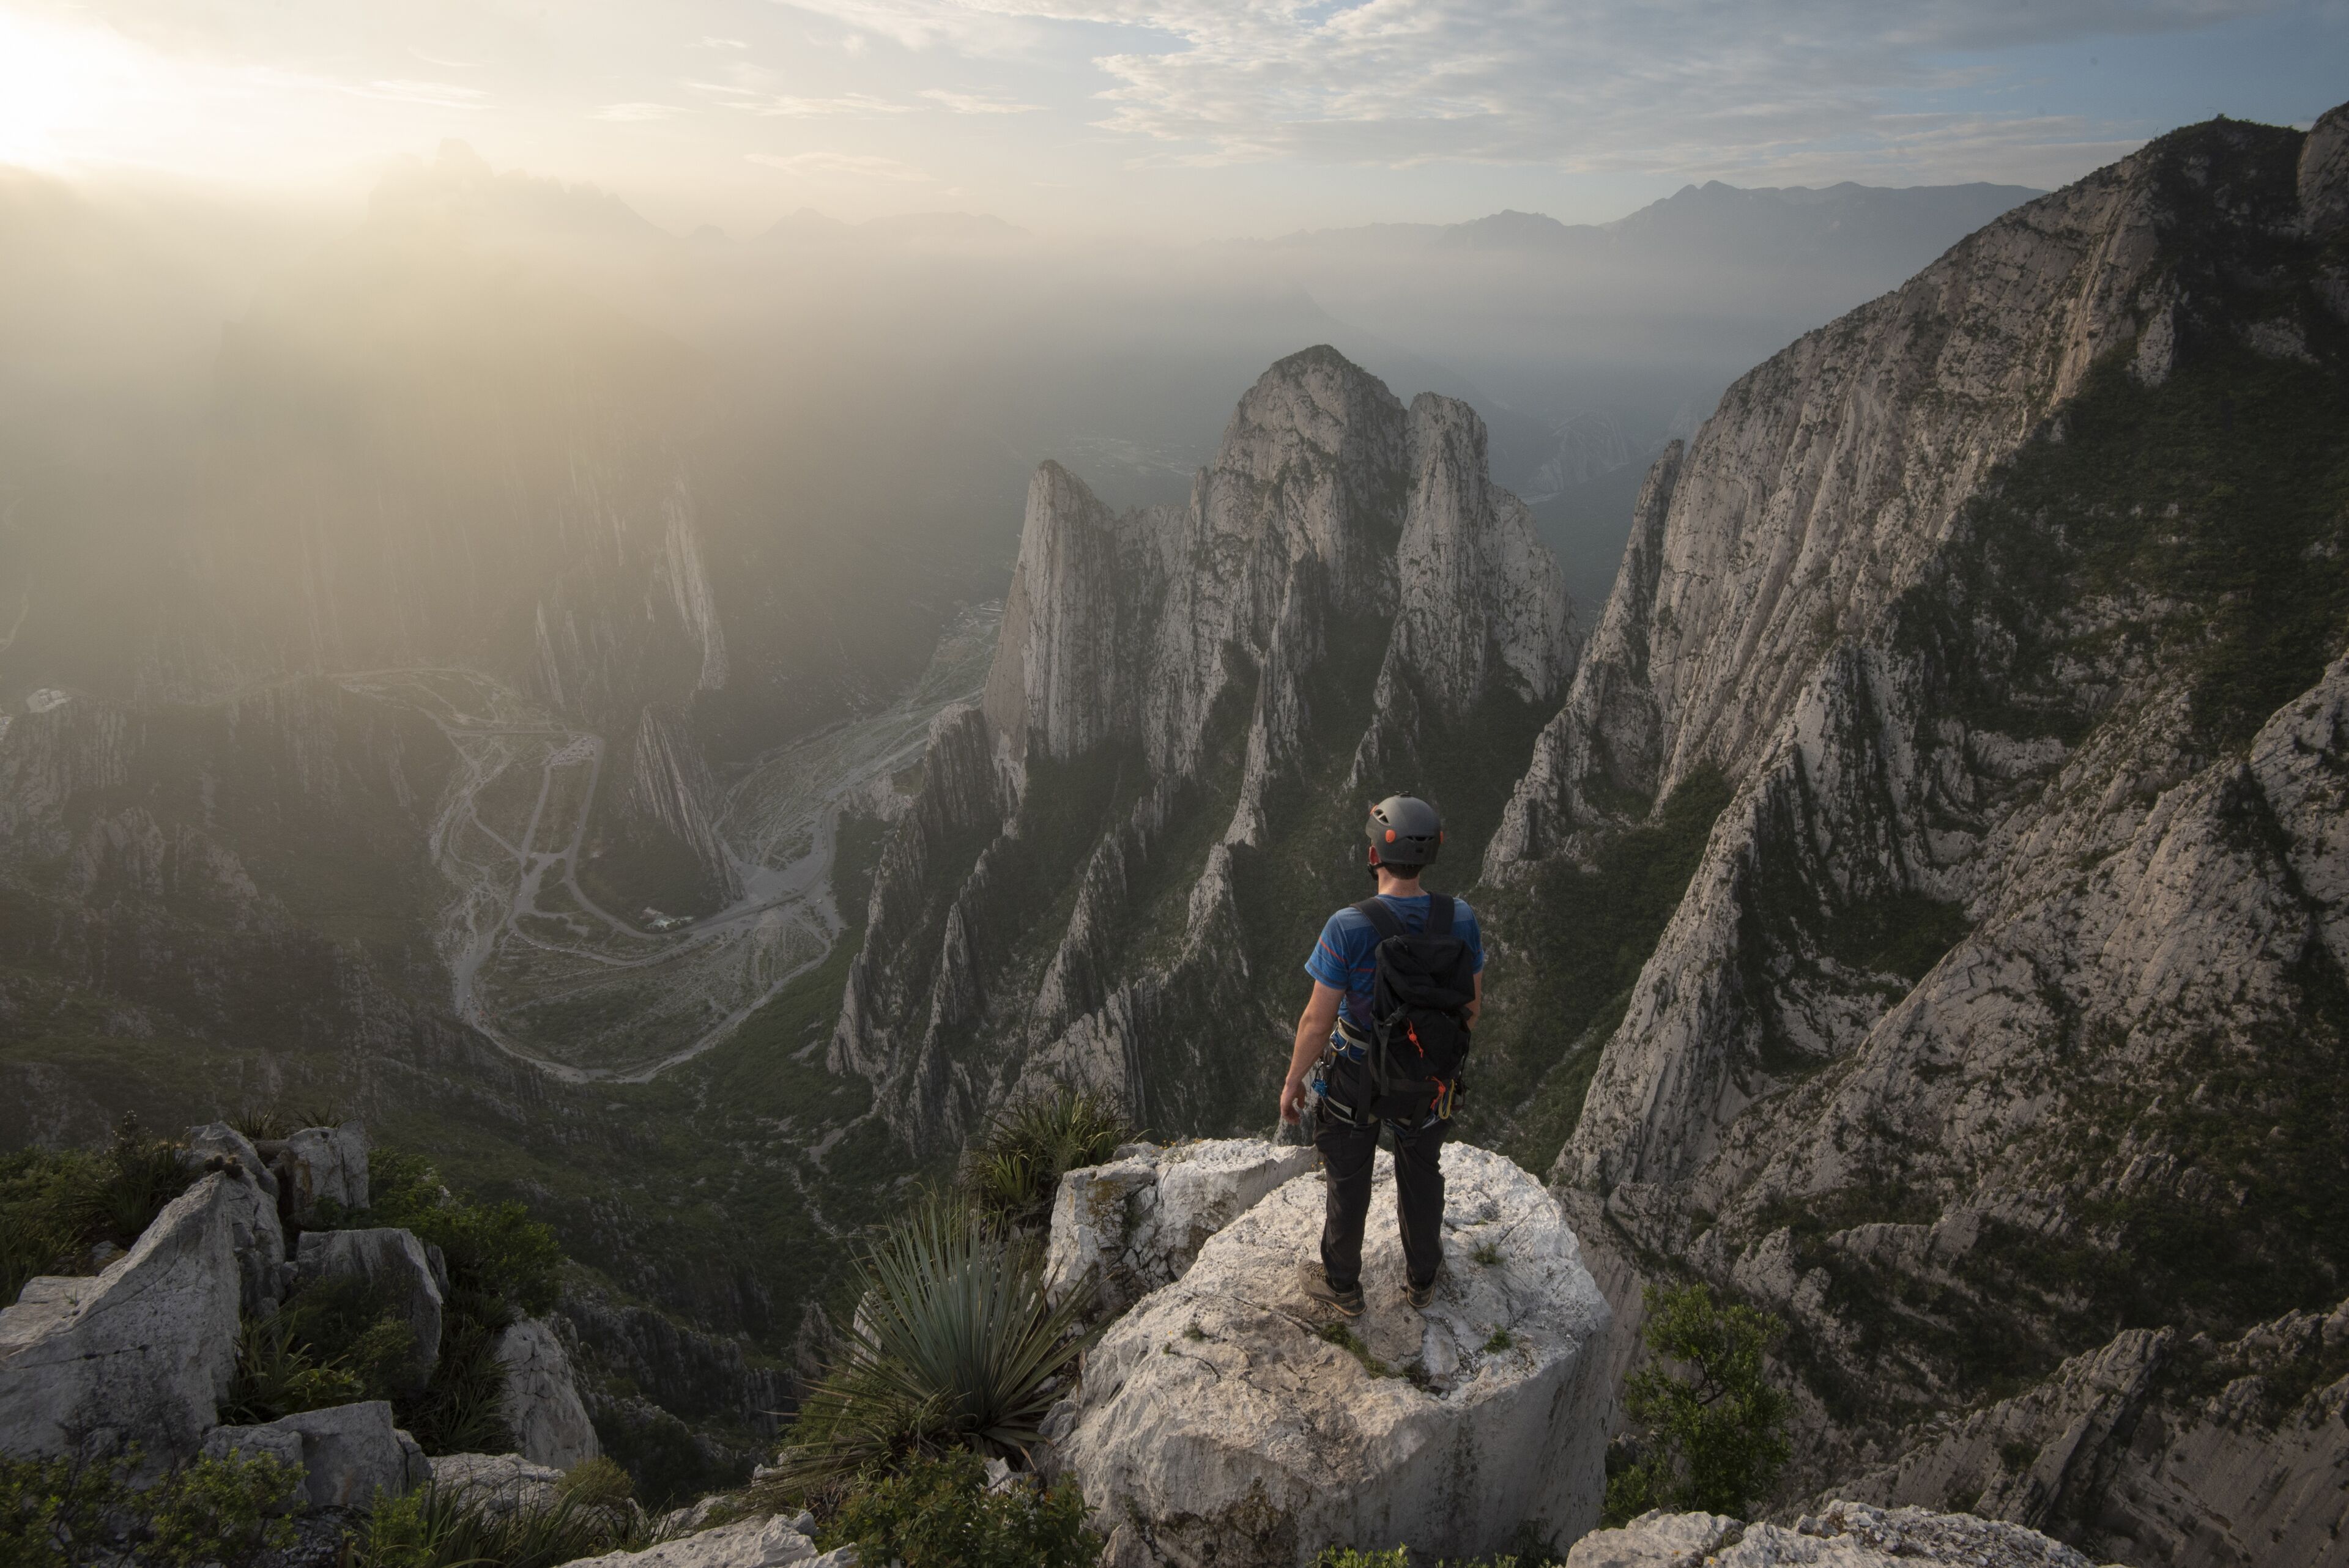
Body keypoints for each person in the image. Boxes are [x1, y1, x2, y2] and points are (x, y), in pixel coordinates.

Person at [1280, 796, 1483, 1317]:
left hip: (1357, 1077)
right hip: (1428, 1076)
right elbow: (1471, 1008)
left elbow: (1316, 1021)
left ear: (1375, 856)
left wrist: (1294, 1081)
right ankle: (1422, 1278)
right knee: (1421, 1169)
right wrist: (1437, 1063)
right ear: (1432, 855)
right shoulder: (1460, 918)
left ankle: (1343, 1284)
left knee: (1348, 1175)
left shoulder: (1347, 927)